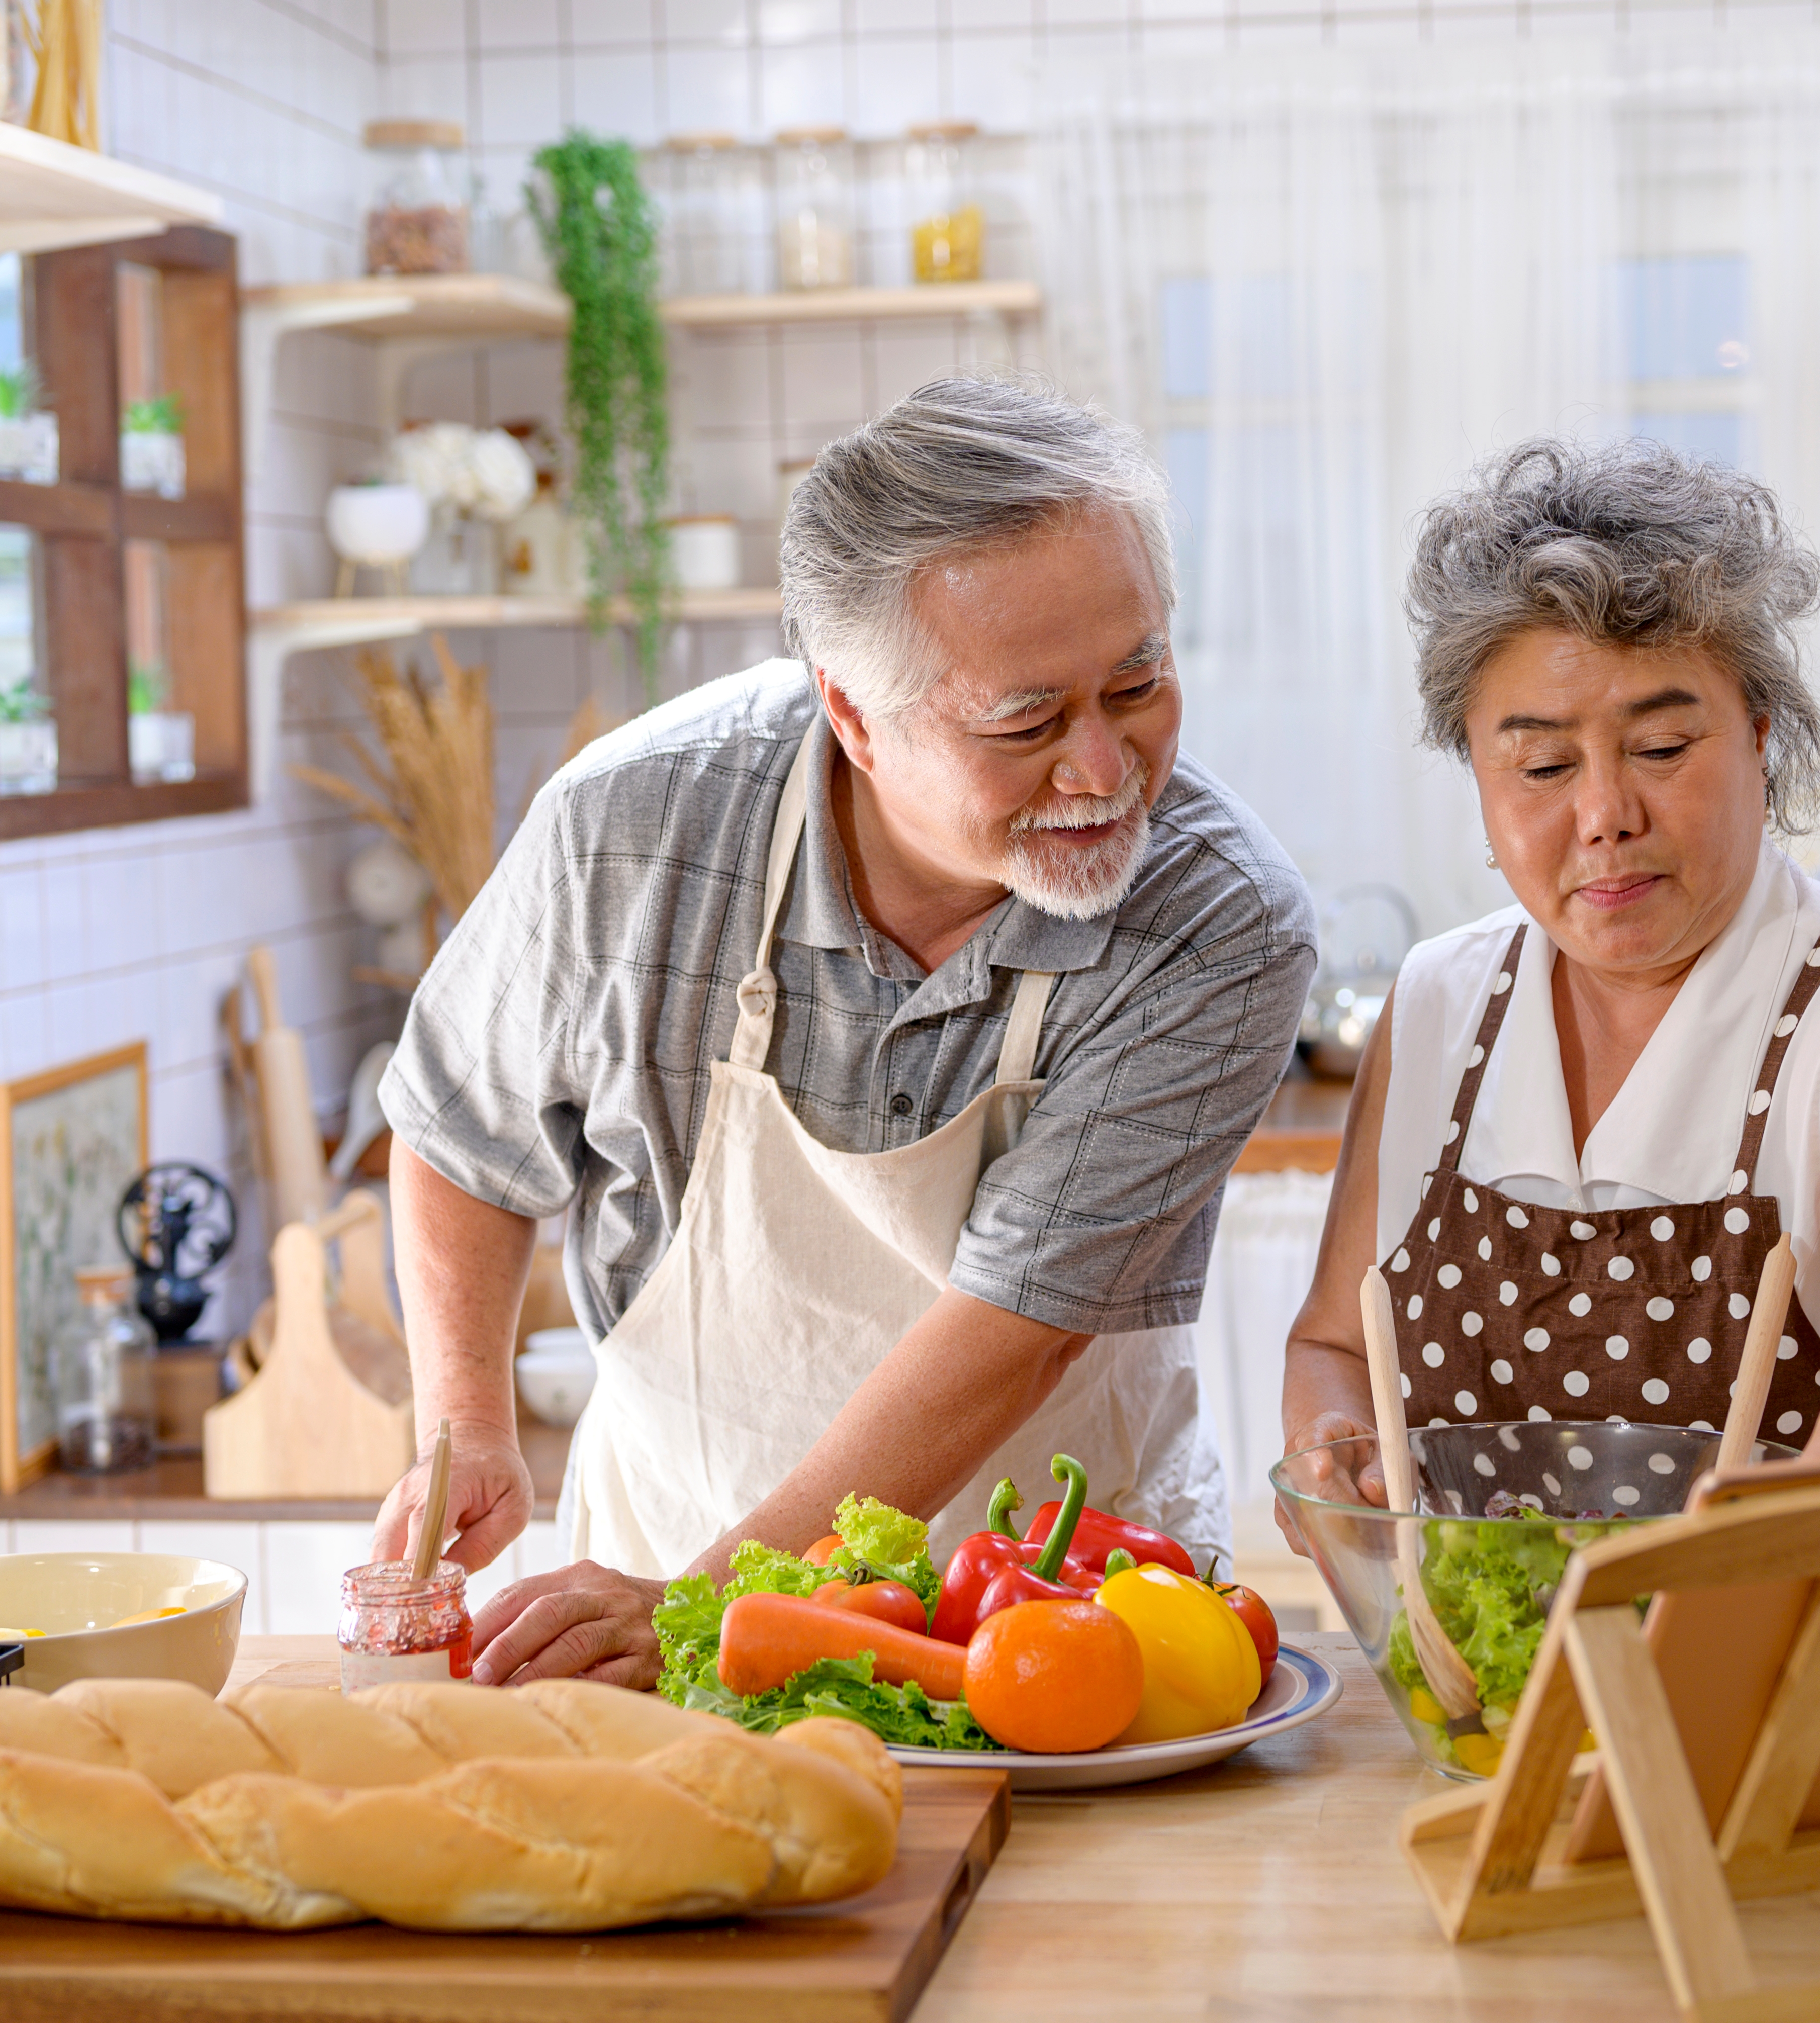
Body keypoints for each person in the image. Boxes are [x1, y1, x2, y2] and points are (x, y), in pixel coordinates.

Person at [374, 378, 1318, 1688]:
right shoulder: (632, 831)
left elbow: (1014, 1332)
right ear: (855, 718)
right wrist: (465, 1419)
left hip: (1059, 1623)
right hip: (655, 1576)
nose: (1107, 771)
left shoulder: (1218, 919)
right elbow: (462, 1134)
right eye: (1029, 722)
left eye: (1139, 681)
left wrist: (708, 1609)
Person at [1278, 439, 1820, 1617]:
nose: (1604, 816)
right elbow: (1336, 1344)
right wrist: (1339, 1456)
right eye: (1541, 763)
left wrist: (1751, 1585)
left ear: (1757, 731)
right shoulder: (1438, 1005)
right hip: (1512, 1693)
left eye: (1660, 748)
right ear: (1480, 779)